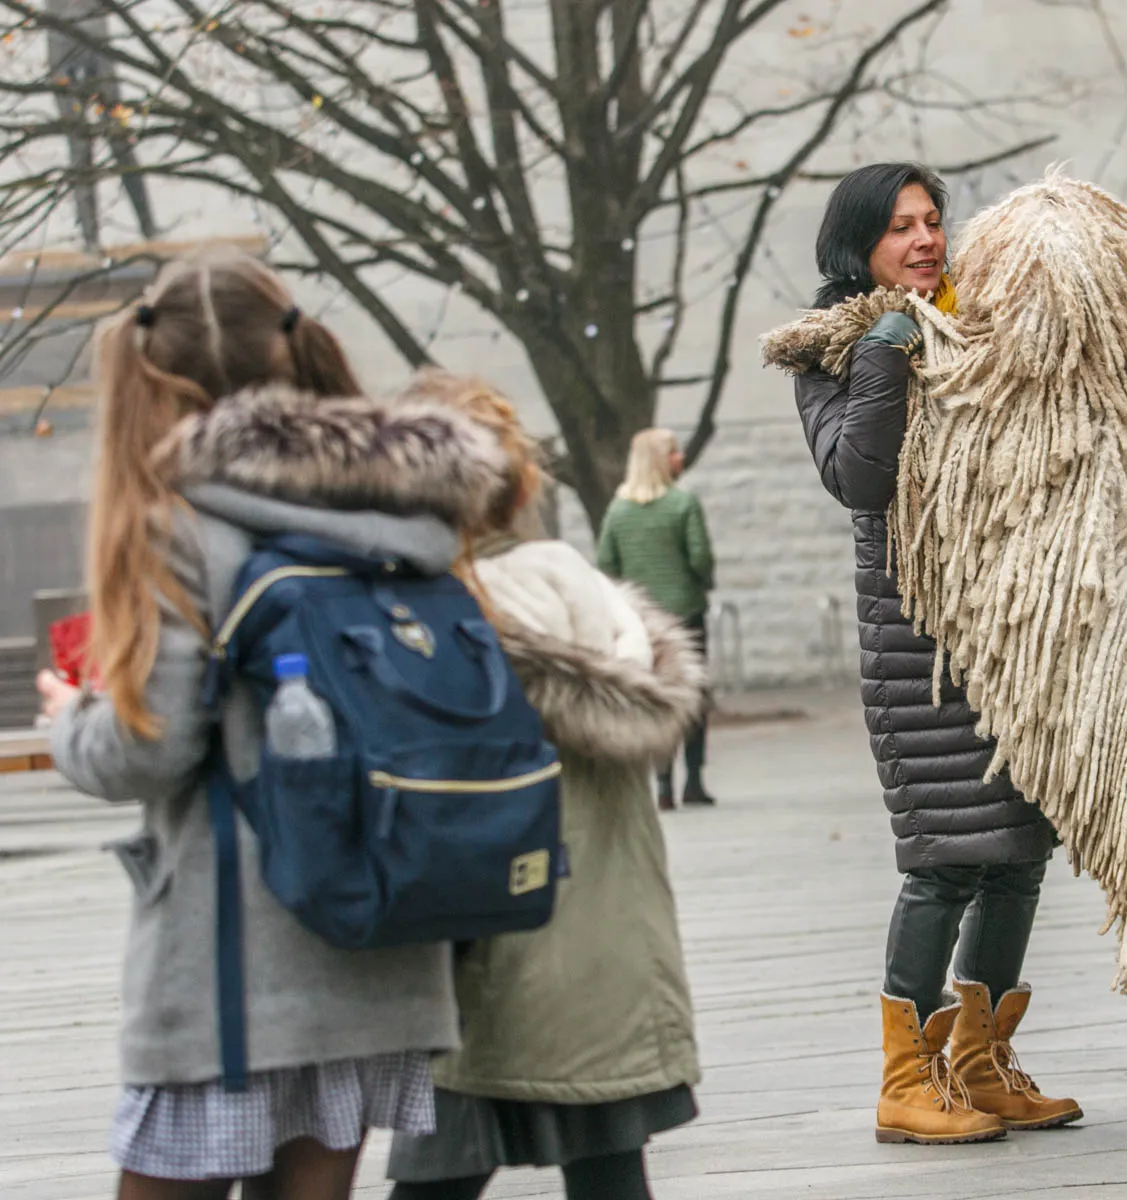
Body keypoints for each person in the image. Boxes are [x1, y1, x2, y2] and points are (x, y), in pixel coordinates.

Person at [35, 248, 469, 1198]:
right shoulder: (395, 500)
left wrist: (73, 720)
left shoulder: (180, 520)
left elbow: (150, 749)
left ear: (158, 367)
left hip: (233, 962)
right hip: (378, 937)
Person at [790, 162, 1080, 1145]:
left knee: (1019, 855)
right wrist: (885, 350)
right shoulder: (832, 345)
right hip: (917, 648)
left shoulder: (975, 323)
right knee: (946, 860)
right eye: (901, 227)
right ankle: (905, 1079)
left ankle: (980, 1062)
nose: (925, 240)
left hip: (1006, 636)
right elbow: (859, 478)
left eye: (932, 222)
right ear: (859, 245)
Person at [384, 373, 705, 1200]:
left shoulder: (429, 612)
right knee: (607, 1168)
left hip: (482, 944)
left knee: (437, 1173)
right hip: (606, 948)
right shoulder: (576, 584)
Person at [595, 428, 717, 809]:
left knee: (659, 696)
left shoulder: (618, 509)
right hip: (686, 612)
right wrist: (702, 582)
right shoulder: (683, 504)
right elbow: (700, 557)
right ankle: (693, 781)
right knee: (694, 696)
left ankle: (662, 785)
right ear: (659, 461)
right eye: (675, 452)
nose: (680, 458)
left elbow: (605, 563)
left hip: (642, 620)